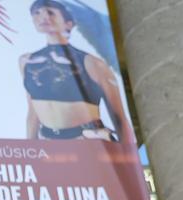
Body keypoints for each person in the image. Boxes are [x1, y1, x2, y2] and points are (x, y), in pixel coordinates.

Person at [20, 0, 131, 144]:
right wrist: (30, 151)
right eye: (37, 12)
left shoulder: (92, 63)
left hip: (88, 142)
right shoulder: (26, 61)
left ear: (69, 23)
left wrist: (126, 157)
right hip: (48, 142)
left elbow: (119, 118)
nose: (43, 17)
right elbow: (33, 113)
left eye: (50, 12)